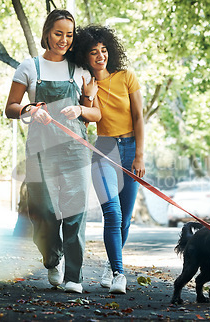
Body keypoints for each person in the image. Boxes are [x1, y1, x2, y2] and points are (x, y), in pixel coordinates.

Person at [5, 9, 101, 294]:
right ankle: (52, 257)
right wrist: (30, 109)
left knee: (75, 214)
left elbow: (95, 113)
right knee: (44, 211)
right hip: (40, 149)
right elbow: (10, 107)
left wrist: (81, 108)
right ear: (47, 32)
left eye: (69, 35)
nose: (63, 40)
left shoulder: (81, 69)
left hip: (75, 150)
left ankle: (74, 276)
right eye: (58, 33)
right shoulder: (29, 67)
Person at [72, 25, 145, 294]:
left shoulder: (127, 77)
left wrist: (139, 155)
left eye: (103, 50)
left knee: (125, 219)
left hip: (130, 150)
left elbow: (138, 117)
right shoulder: (89, 84)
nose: (100, 56)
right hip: (104, 149)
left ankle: (109, 265)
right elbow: (92, 119)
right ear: (85, 57)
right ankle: (119, 273)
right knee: (112, 214)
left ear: (110, 52)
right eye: (93, 52)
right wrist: (88, 95)